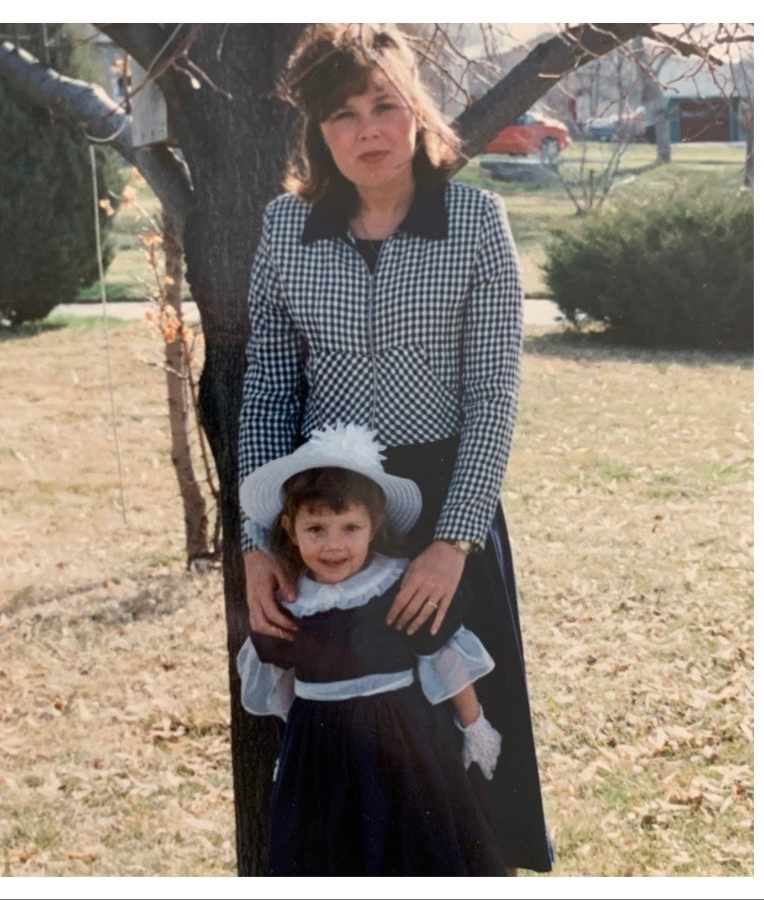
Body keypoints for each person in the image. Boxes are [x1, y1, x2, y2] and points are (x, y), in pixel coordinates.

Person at [237, 24, 553, 872]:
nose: (368, 131)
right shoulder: (286, 228)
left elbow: (493, 397)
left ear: (417, 111)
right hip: (325, 514)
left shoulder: (477, 221)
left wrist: (452, 545)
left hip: (448, 498)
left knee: (459, 751)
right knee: (339, 753)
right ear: (317, 131)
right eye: (342, 114)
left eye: (385, 105)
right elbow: (268, 388)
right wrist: (255, 546)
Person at [236, 424, 505, 875]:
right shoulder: (289, 602)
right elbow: (280, 684)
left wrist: (474, 724)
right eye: (316, 528)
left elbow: (444, 656)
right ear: (289, 528)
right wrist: (295, 745)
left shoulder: (396, 587)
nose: (333, 543)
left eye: (350, 527)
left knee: (413, 847)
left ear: (374, 526)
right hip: (321, 750)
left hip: (403, 743)